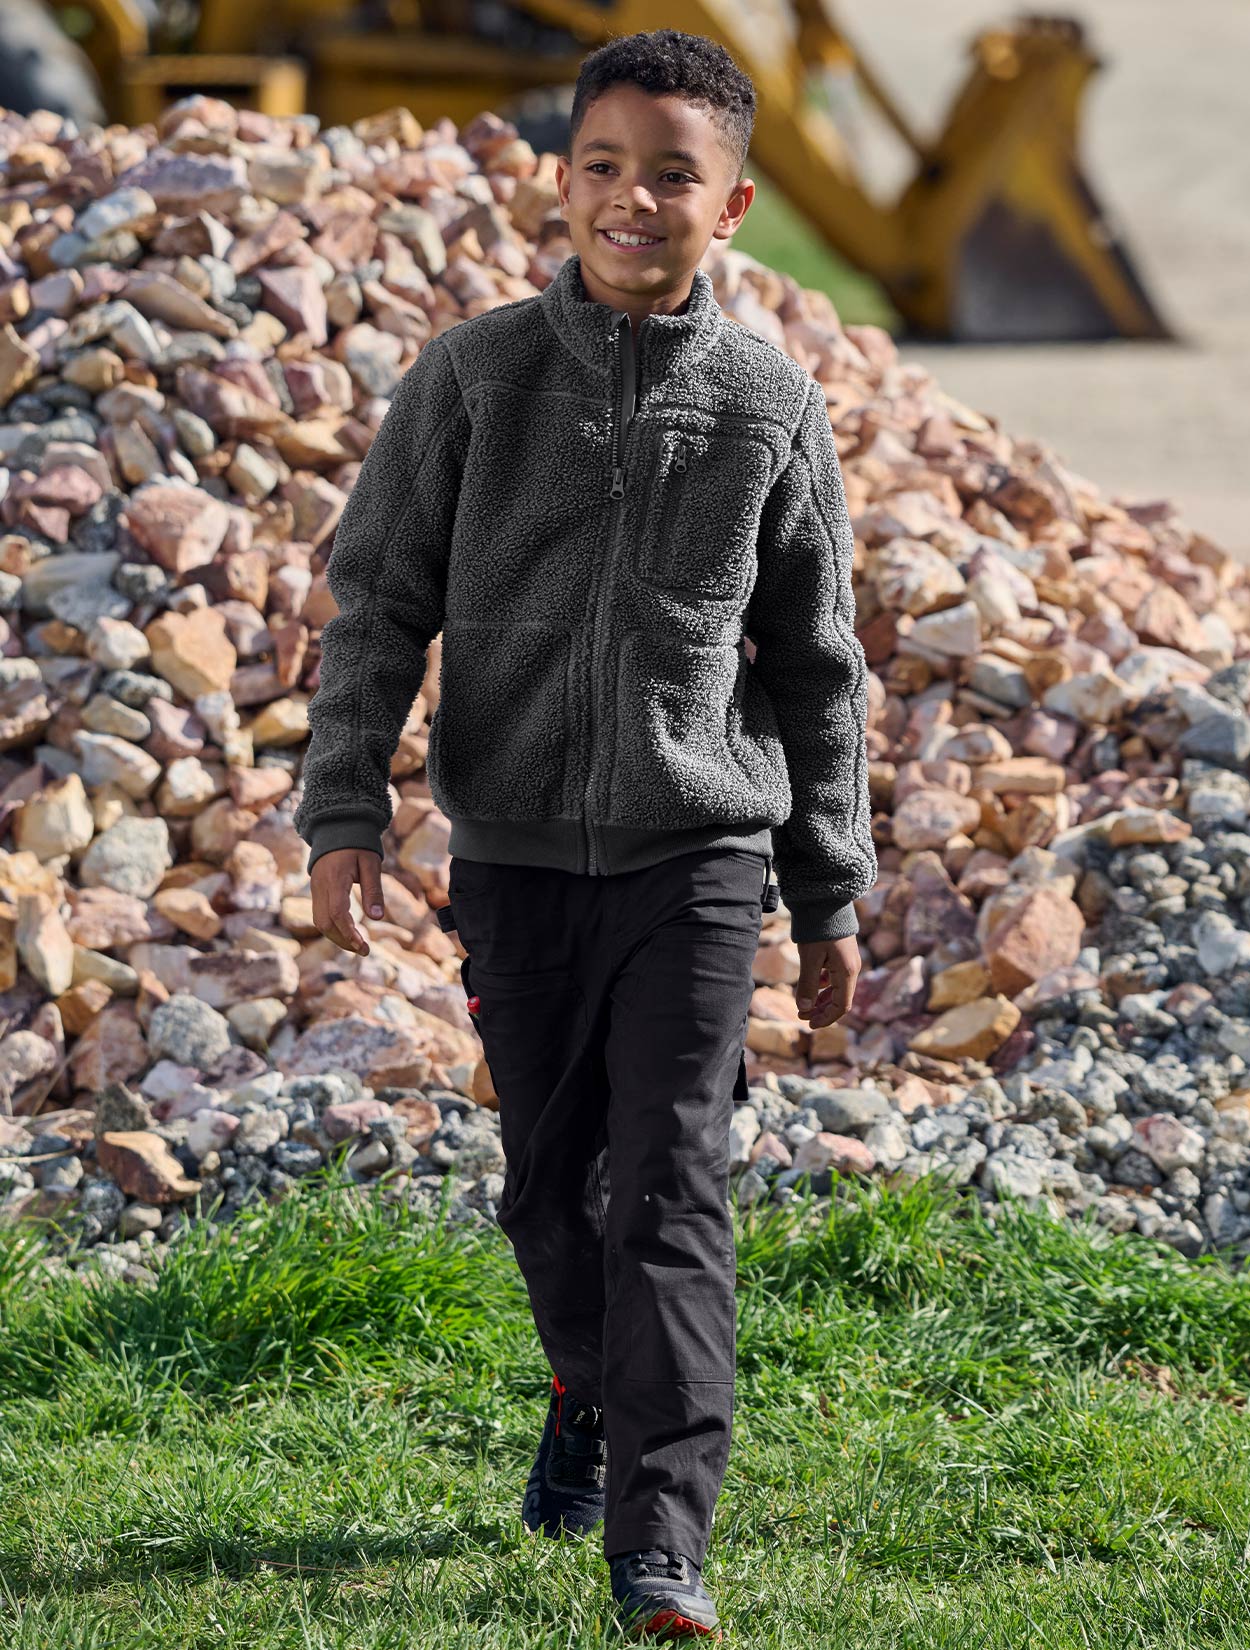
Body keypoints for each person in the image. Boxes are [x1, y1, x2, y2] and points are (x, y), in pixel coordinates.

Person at [295, 27, 876, 1642]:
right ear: (561, 183)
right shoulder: (474, 376)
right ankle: (581, 1381)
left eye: (671, 176)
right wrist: (346, 804)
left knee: (673, 1183)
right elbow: (376, 604)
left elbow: (818, 662)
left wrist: (828, 890)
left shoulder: (766, 402)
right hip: (516, 853)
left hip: (700, 858)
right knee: (548, 1192)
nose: (633, 202)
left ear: (735, 202)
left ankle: (660, 1539)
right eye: (603, 169)